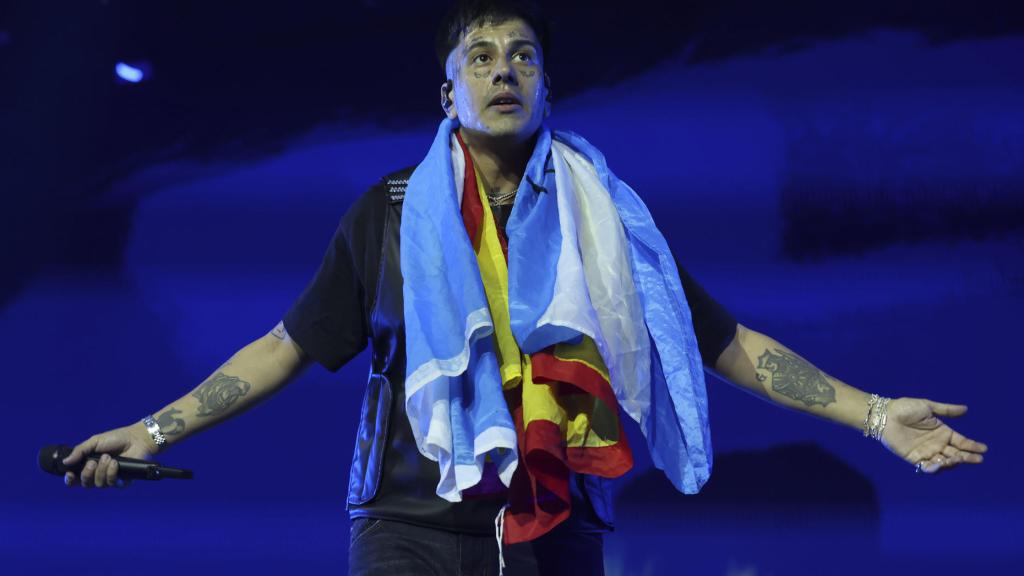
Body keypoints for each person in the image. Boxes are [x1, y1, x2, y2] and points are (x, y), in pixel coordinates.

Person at [61, 1, 988, 575]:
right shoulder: (386, 214)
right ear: (447, 95)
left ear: (548, 89)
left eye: (524, 55)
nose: (503, 67)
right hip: (405, 532)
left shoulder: (609, 220)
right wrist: (152, 430)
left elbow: (722, 342)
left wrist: (875, 416)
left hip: (558, 533)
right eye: (479, 54)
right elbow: (284, 345)